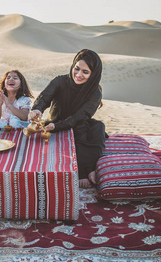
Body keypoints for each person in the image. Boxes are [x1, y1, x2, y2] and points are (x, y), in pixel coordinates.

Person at [28, 49, 106, 189]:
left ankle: (88, 169)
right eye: (77, 69)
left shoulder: (95, 93)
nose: (79, 74)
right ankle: (87, 171)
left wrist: (58, 127)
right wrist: (37, 109)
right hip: (53, 124)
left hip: (76, 125)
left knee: (97, 128)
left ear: (93, 74)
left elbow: (80, 116)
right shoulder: (60, 81)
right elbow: (44, 98)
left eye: (85, 72)